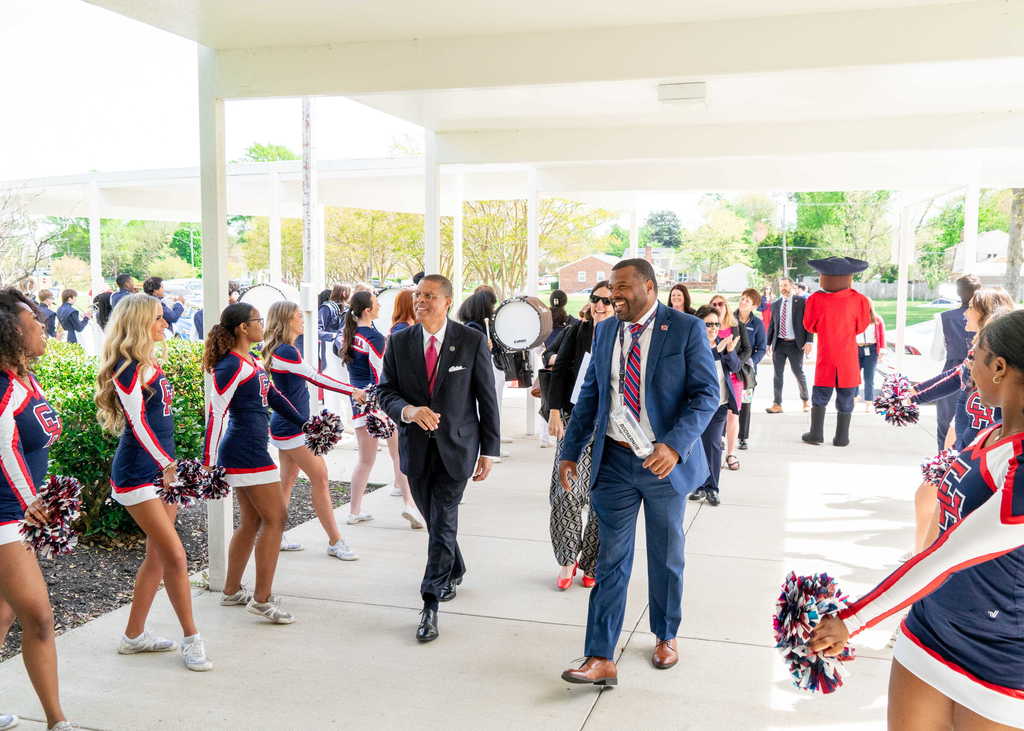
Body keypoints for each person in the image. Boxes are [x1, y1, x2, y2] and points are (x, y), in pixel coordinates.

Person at [810, 309, 1024, 729]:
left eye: (974, 357)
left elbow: (949, 555)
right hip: (929, 630)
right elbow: (939, 534)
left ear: (999, 367)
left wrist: (853, 619)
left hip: (1000, 658)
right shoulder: (990, 434)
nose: (968, 368)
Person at [559, 258, 718, 686]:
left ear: (649, 287)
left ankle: (665, 634)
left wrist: (675, 446)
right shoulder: (606, 329)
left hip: (662, 463)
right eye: (612, 287)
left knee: (665, 555)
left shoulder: (685, 329)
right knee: (610, 558)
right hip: (614, 461)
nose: (614, 295)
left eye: (623, 287)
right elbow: (592, 394)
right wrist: (570, 452)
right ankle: (600, 655)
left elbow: (707, 394)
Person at [376, 274, 500, 643]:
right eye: (418, 295)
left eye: (429, 295)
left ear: (447, 301)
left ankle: (430, 602)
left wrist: (489, 450)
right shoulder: (400, 342)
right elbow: (385, 391)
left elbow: (487, 398)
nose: (420, 301)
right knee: (435, 521)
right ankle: (455, 567)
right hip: (415, 448)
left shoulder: (470, 340)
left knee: (444, 520)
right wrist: (409, 411)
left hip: (457, 448)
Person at [94, 293, 212, 672]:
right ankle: (192, 638)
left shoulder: (147, 363)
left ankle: (133, 636)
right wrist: (167, 463)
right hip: (138, 473)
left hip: (162, 471)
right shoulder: (128, 369)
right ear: (139, 323)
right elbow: (138, 424)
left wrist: (167, 465)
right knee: (175, 556)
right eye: (158, 318)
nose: (165, 323)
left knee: (158, 556)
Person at [0, 289, 77, 731]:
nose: (43, 325)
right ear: (11, 331)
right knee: (40, 619)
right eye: (34, 321)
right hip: (6, 515)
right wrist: (30, 499)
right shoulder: (4, 386)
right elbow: (3, 445)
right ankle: (57, 721)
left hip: (18, 511)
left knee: (4, 613)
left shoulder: (25, 379)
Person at [203, 302, 307, 624]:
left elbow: (273, 396)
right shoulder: (230, 365)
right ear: (243, 328)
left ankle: (232, 590)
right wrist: (208, 462)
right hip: (245, 450)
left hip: (250, 447)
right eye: (257, 320)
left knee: (251, 521)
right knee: (276, 518)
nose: (263, 324)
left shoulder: (250, 359)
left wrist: (305, 424)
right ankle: (261, 600)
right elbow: (216, 412)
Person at [909, 288, 1014, 554]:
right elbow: (954, 379)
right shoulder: (977, 358)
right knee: (929, 500)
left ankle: (924, 558)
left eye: (970, 307)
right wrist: (912, 394)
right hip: (968, 450)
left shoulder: (1003, 376)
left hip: (983, 457)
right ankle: (920, 556)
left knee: (945, 510)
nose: (965, 312)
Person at [263, 301, 365, 559]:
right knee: (320, 478)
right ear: (286, 321)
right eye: (298, 316)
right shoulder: (286, 351)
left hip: (288, 424)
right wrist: (352, 390)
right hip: (292, 427)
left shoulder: (284, 349)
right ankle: (335, 541)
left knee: (287, 481)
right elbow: (315, 377)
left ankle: (275, 535)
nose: (302, 319)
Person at [546, 283, 612, 590]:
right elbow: (558, 370)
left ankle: (593, 562)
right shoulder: (577, 332)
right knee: (566, 491)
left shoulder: (625, 335)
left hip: (612, 427)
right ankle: (567, 559)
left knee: (602, 497)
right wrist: (554, 410)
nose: (600, 305)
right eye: (596, 299)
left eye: (607, 301)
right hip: (575, 420)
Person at [336, 291, 420, 529]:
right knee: (399, 454)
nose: (380, 306)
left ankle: (354, 511)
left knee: (365, 460)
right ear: (367, 310)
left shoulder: (346, 335)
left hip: (357, 402)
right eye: (376, 303)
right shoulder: (374, 337)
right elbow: (383, 371)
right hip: (379, 402)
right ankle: (409, 504)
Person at [801, 257, 872, 448]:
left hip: (826, 355)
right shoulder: (859, 300)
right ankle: (842, 437)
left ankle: (816, 433)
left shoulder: (815, 299)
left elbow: (809, 325)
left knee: (820, 395)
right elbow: (861, 326)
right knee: (847, 396)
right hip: (848, 357)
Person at [689, 305, 741, 507]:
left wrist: (730, 351)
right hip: (697, 405)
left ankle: (712, 487)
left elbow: (735, 367)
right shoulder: (693, 346)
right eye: (708, 324)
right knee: (696, 446)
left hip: (718, 405)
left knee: (712, 445)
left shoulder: (722, 344)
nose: (713, 328)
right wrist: (714, 352)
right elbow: (697, 370)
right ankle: (699, 485)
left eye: (716, 324)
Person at [929, 274, 982, 451]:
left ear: (958, 292)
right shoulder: (991, 317)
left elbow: (936, 354)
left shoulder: (944, 318)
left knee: (945, 424)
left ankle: (943, 462)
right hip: (982, 373)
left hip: (953, 371)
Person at [708, 294, 750, 471]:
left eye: (721, 304)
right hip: (714, 377)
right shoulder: (707, 326)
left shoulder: (736, 326)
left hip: (734, 377)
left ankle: (731, 453)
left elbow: (747, 348)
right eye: (714, 304)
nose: (718, 306)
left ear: (726, 306)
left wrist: (736, 362)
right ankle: (715, 449)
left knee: (733, 415)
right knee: (715, 417)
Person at [765, 277, 812, 414]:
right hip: (779, 344)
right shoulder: (775, 304)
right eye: (781, 286)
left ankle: (805, 401)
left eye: (785, 285)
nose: (783, 288)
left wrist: (809, 341)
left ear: (792, 286)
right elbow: (772, 325)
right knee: (777, 374)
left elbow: (808, 322)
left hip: (795, 344)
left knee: (798, 372)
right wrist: (768, 343)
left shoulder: (801, 302)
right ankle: (777, 404)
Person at [735, 289, 767, 450]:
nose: (743, 302)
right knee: (726, 404)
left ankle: (742, 437)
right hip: (730, 367)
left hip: (747, 372)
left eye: (747, 300)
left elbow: (761, 348)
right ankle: (722, 435)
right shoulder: (729, 318)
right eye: (742, 298)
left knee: (745, 404)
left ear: (754, 306)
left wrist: (751, 361)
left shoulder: (757, 324)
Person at [855, 300, 886, 412]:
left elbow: (881, 335)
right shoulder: (854, 318)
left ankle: (868, 402)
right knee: (854, 376)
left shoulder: (877, 319)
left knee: (869, 377)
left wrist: (882, 352)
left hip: (871, 350)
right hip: (856, 349)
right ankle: (855, 397)